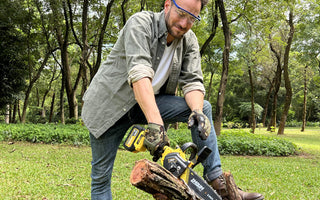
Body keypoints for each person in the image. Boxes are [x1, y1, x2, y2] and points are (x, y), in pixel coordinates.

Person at [82, 0, 264, 199]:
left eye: (192, 18)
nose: (185, 23)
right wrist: (156, 124)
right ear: (168, 4)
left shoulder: (189, 41)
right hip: (108, 108)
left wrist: (196, 111)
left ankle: (219, 184)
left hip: (146, 104)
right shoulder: (140, 23)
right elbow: (139, 73)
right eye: (182, 13)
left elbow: (193, 82)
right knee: (100, 179)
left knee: (204, 108)